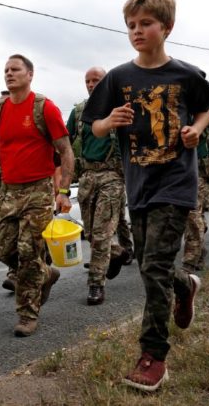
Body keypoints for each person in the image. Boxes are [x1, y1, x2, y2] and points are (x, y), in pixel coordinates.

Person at [82, 0, 209, 391]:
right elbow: (94, 125)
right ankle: (186, 285)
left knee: (153, 268)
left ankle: (153, 356)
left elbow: (206, 107)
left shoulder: (186, 75)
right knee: (147, 261)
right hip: (138, 183)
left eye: (145, 24)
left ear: (167, 27)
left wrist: (196, 128)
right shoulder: (118, 78)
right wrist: (111, 122)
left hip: (176, 182)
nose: (137, 31)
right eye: (131, 26)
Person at [0, 54, 75, 337]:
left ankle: (27, 314)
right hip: (8, 189)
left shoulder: (44, 108)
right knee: (5, 249)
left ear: (30, 74)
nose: (9, 74)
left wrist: (65, 191)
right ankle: (47, 273)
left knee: (28, 253)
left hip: (38, 190)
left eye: (15, 69)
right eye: (6, 69)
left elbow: (66, 151)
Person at [66, 66, 132, 306]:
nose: (91, 84)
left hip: (113, 177)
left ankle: (96, 284)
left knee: (103, 233)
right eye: (88, 81)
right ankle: (119, 252)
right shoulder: (79, 111)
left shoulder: (121, 108)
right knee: (93, 235)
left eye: (97, 80)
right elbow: (64, 145)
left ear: (107, 82)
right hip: (87, 178)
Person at [181, 115, 209, 272]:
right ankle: (199, 247)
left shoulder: (204, 114)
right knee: (186, 216)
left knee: (192, 212)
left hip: (198, 171)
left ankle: (190, 262)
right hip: (172, 170)